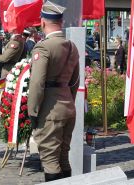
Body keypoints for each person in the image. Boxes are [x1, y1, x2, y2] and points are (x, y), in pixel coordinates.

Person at [27, 1, 80, 182]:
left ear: (43, 22)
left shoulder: (43, 47)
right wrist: (69, 100)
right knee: (63, 157)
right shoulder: (72, 46)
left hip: (50, 110)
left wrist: (32, 110)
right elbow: (75, 81)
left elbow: (37, 83)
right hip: (68, 107)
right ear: (61, 21)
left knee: (50, 159)